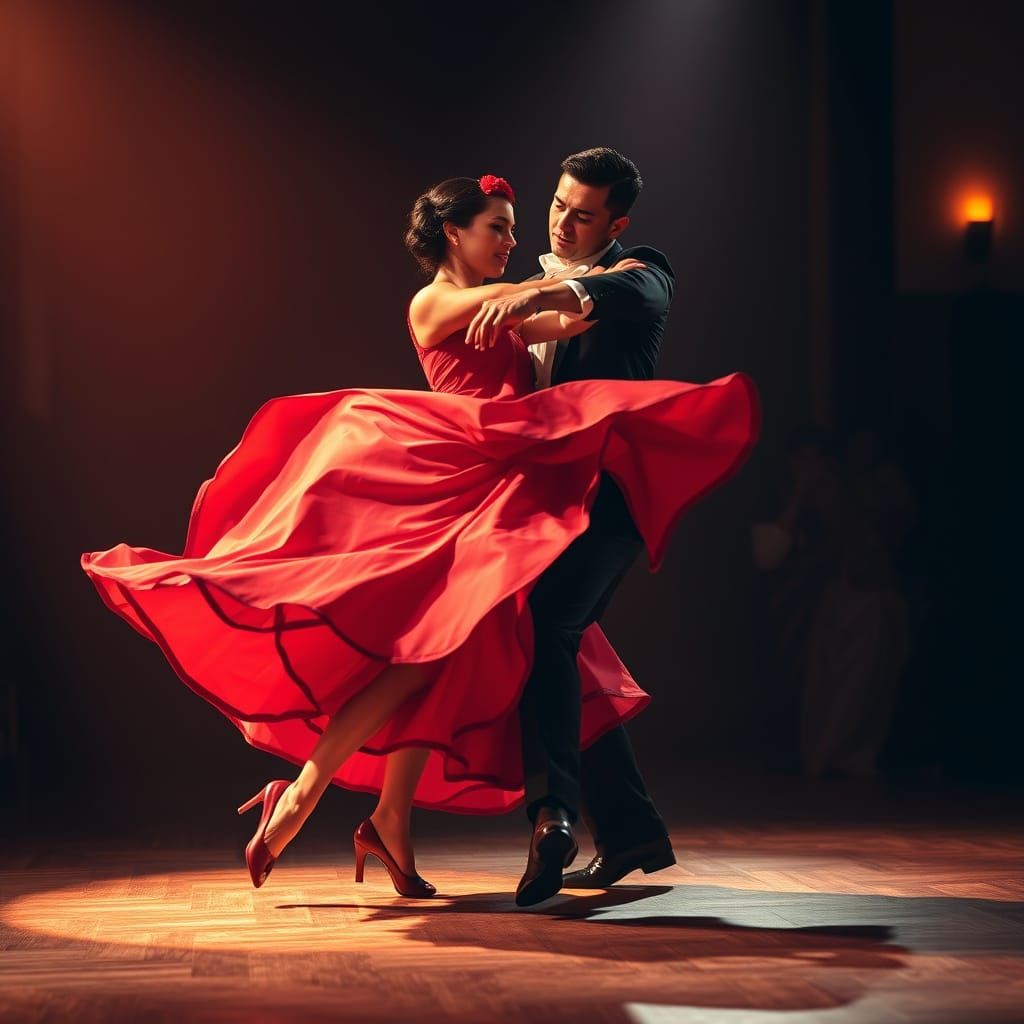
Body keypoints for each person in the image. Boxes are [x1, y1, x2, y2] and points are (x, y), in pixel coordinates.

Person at [81, 170, 758, 902]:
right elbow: (526, 309)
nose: (513, 239)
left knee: (445, 651)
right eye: (497, 226)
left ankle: (391, 817)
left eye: (514, 225)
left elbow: (566, 319)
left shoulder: (505, 297)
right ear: (453, 235)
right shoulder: (436, 301)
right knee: (425, 656)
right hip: (460, 476)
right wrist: (559, 290)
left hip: (496, 479)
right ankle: (306, 794)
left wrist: (594, 290)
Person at [463, 148, 749, 906]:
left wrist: (543, 294)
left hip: (608, 502)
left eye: (581, 213)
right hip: (542, 502)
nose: (560, 220)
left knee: (549, 629)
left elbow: (630, 290)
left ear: (615, 223)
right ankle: (630, 833)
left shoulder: (640, 273)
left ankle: (552, 816)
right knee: (568, 650)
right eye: (558, 204)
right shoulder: (528, 281)